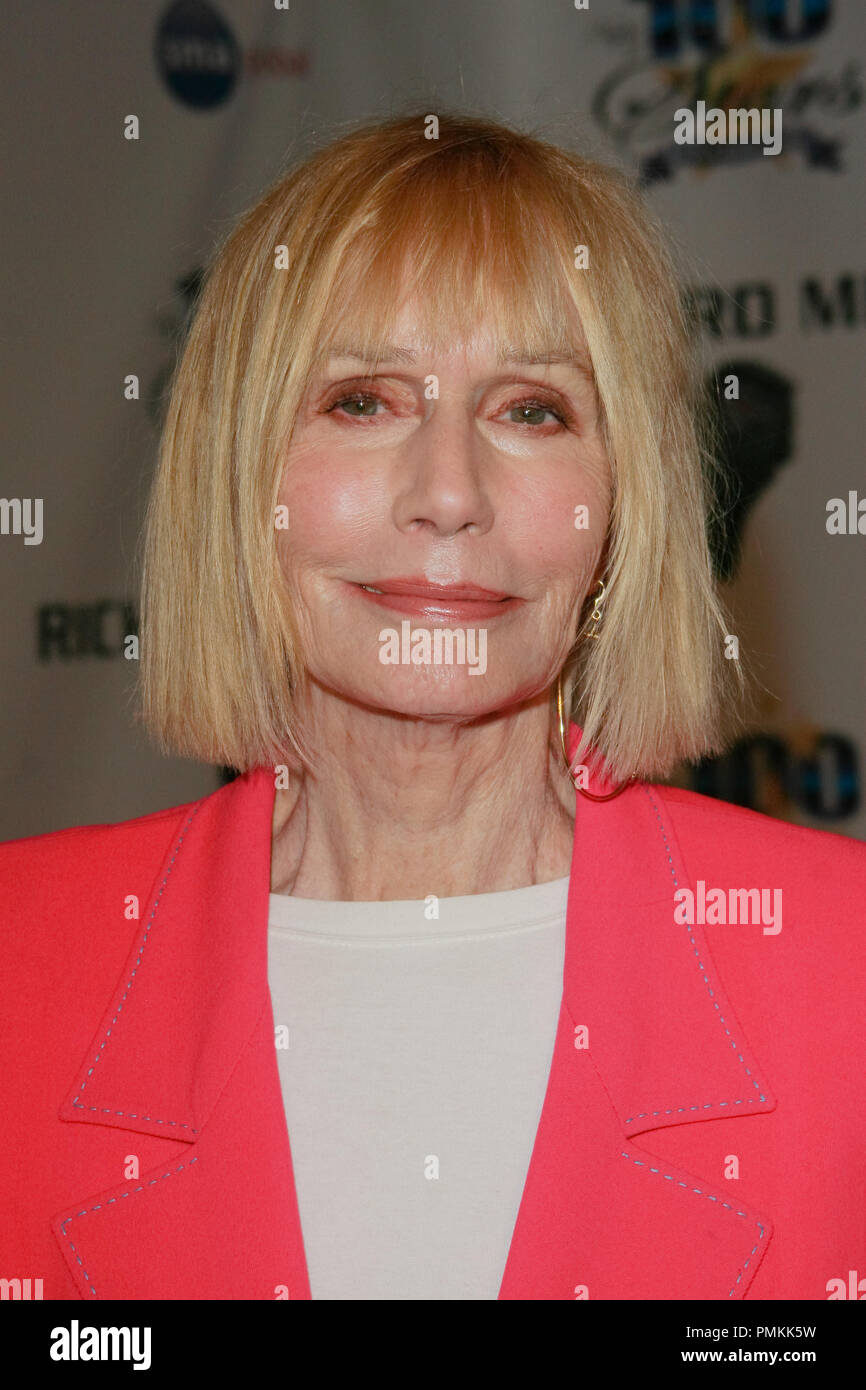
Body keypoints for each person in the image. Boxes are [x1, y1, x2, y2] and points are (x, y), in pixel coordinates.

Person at [1, 112, 864, 1302]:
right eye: (362, 400)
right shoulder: (21, 958)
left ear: (622, 506)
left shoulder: (838, 971)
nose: (448, 492)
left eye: (532, 409)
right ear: (238, 471)